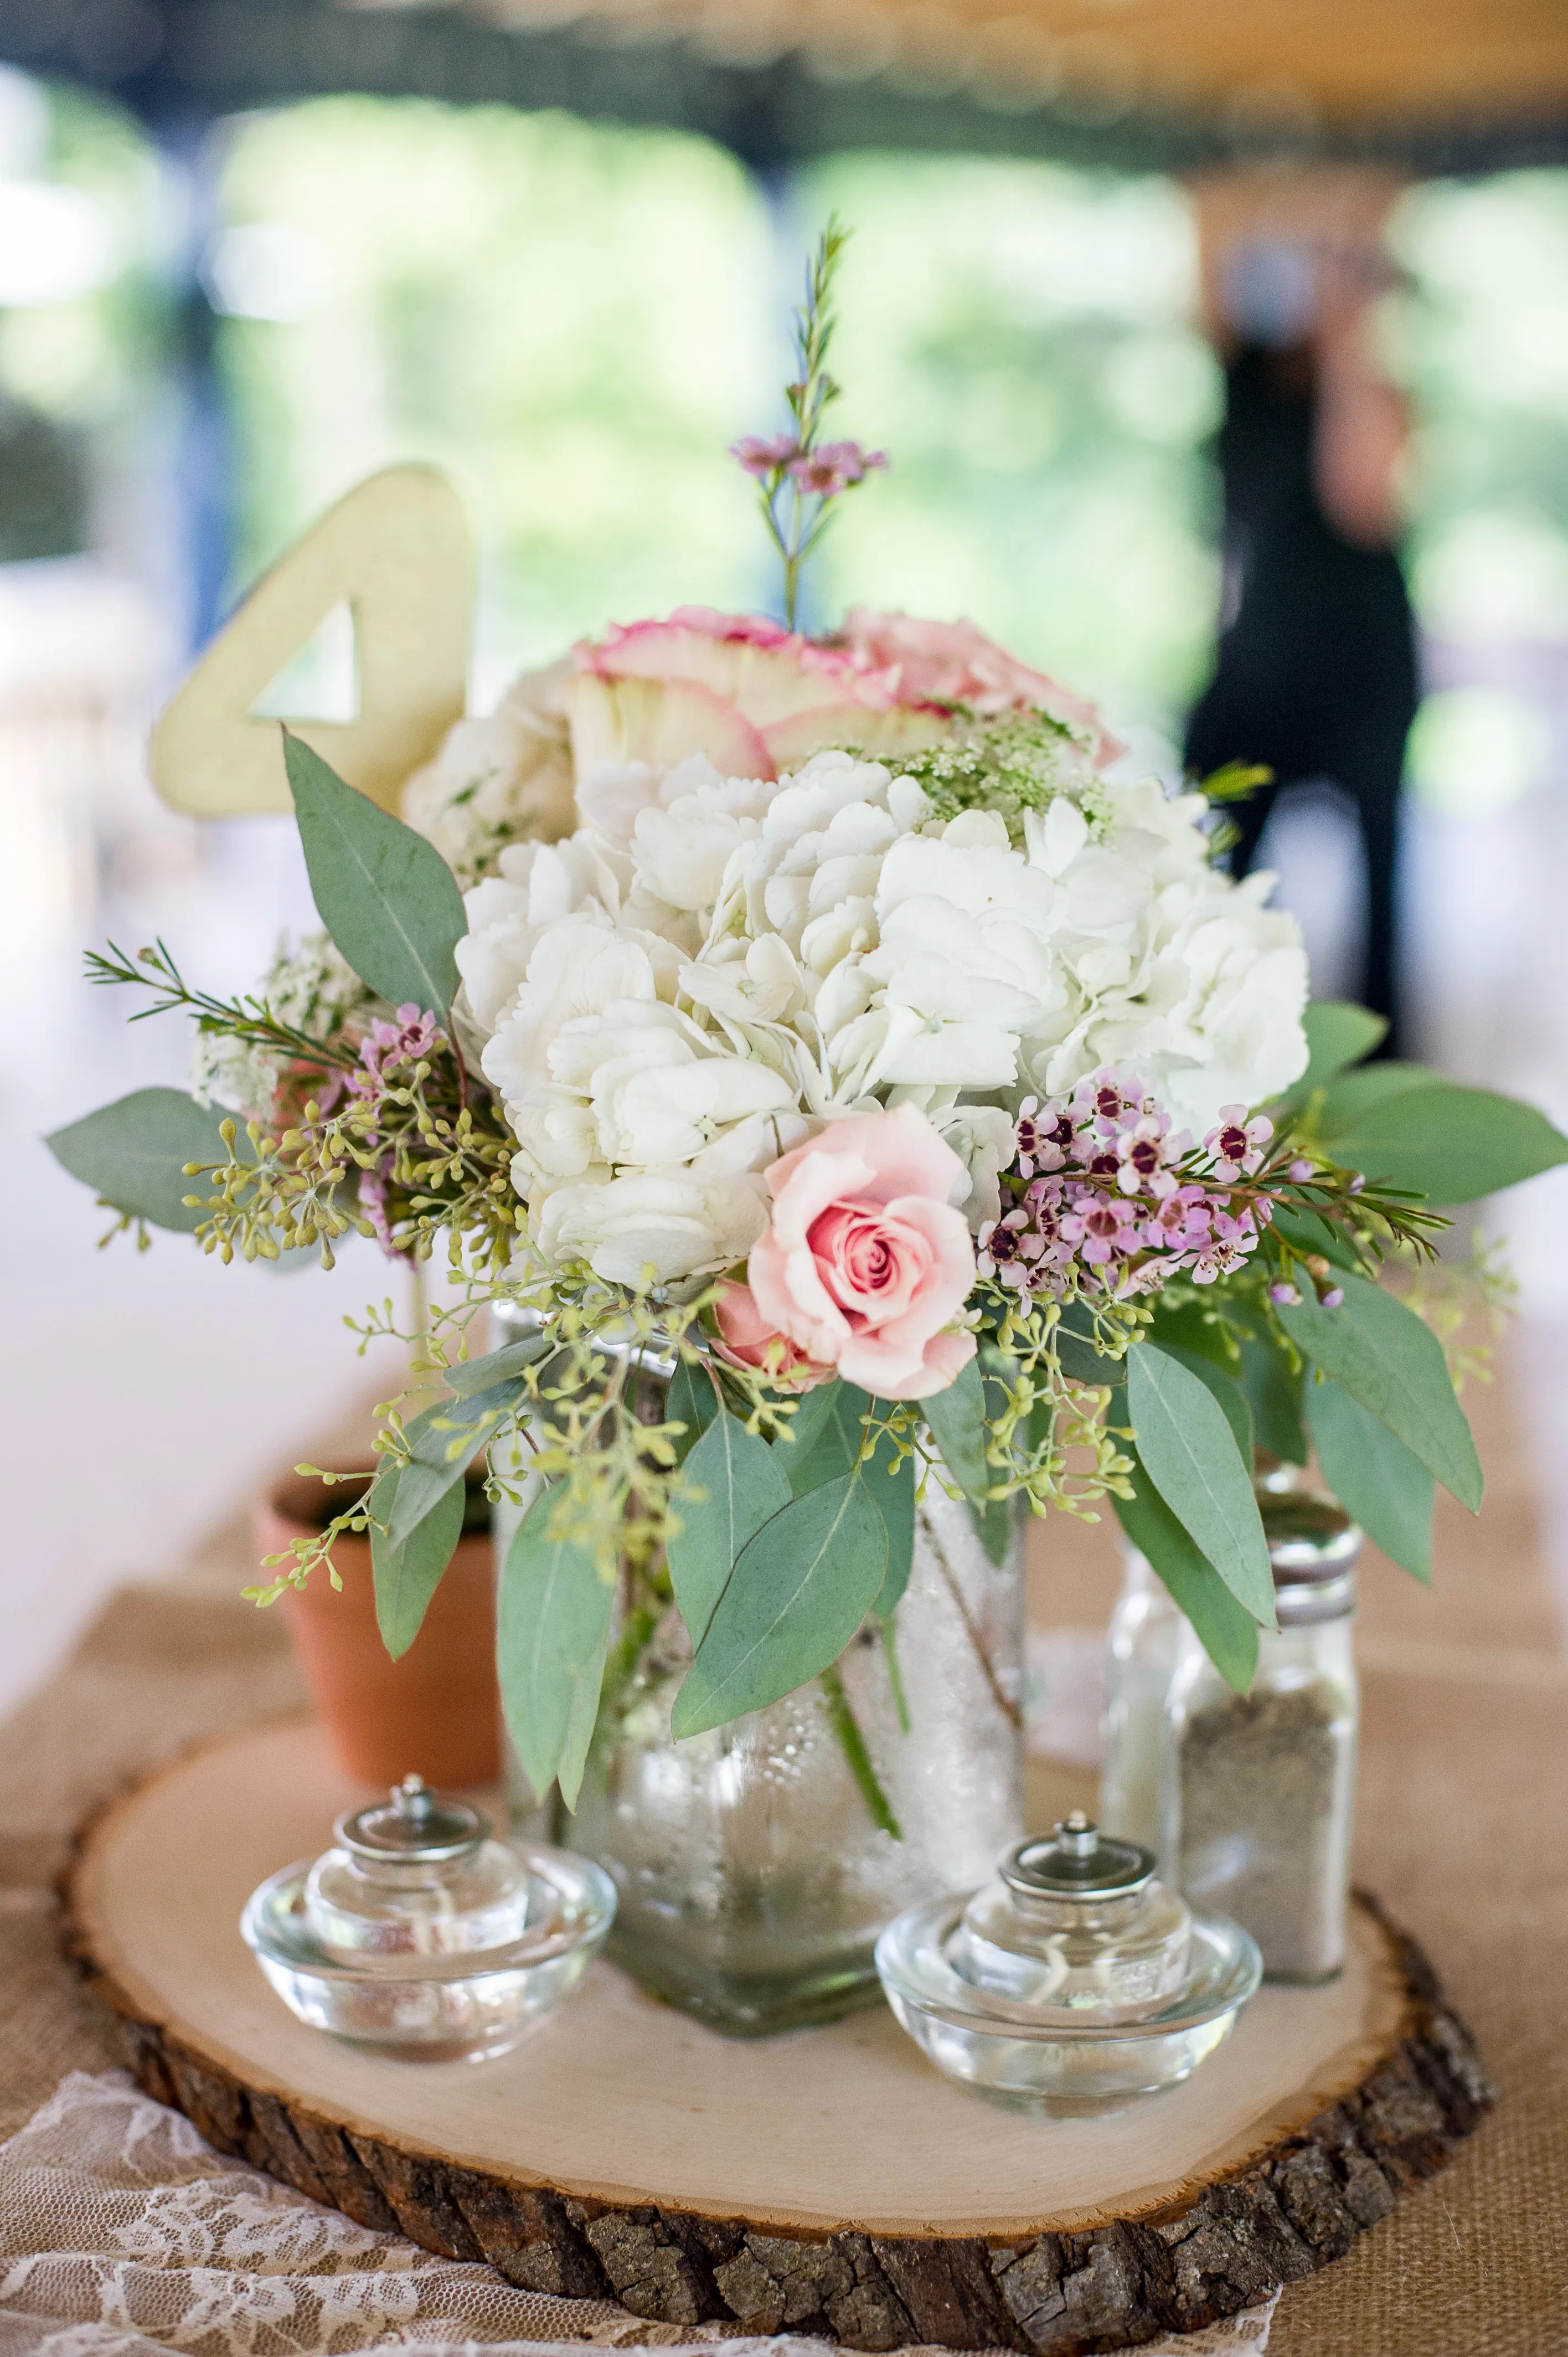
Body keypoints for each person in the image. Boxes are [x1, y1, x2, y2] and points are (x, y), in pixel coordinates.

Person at [1184, 222, 1416, 1051]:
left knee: (1381, 868)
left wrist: (1351, 345)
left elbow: (1360, 497)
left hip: (1366, 657)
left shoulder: (1378, 389)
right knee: (1218, 857)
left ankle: (1382, 1048)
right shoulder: (1243, 377)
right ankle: (1208, 1021)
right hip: (1261, 654)